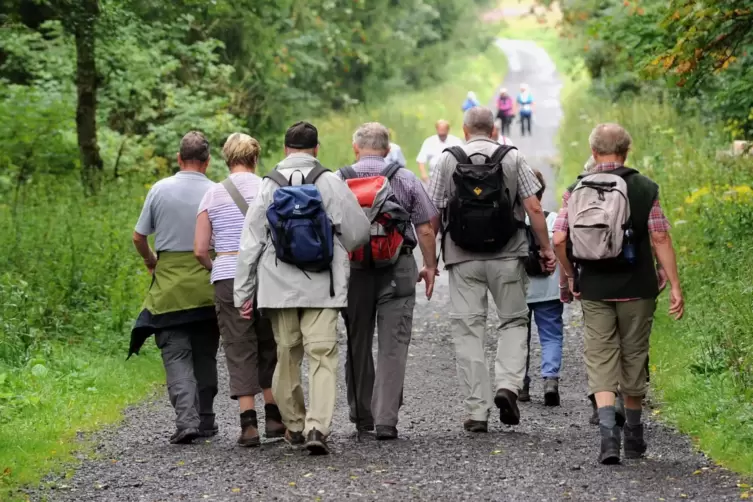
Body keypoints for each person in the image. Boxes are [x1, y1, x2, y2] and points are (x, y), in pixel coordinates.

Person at [234, 121, 370, 456]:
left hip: (278, 286)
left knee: (287, 353)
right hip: (323, 284)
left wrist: (243, 292)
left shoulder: (269, 185)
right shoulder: (329, 181)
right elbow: (357, 233)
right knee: (322, 355)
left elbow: (250, 242)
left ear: (284, 149)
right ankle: (317, 428)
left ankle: (294, 424)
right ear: (316, 149)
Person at [553, 123, 684, 464]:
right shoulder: (643, 187)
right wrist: (674, 284)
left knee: (599, 357)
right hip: (638, 289)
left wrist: (570, 276)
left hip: (594, 287)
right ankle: (635, 437)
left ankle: (608, 438)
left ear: (593, 153)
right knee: (634, 355)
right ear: (627, 151)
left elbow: (558, 240)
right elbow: (660, 238)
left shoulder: (575, 189)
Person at [428, 107, 556, 433]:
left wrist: (430, 261)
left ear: (464, 129)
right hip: (507, 255)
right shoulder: (511, 157)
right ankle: (508, 386)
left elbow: (432, 212)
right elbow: (534, 206)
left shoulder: (447, 158)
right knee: (513, 321)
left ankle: (477, 411)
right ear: (495, 129)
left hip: (462, 256)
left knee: (469, 330)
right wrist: (545, 248)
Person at [337, 123, 439, 440]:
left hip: (353, 270)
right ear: (387, 148)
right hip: (398, 267)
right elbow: (425, 227)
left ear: (356, 147)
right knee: (393, 345)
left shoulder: (338, 180)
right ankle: (385, 420)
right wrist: (431, 266)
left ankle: (362, 415)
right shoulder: (405, 177)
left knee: (358, 341)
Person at [193, 133, 285, 447]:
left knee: (238, 345)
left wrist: (215, 268)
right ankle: (275, 417)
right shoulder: (269, 189)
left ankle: (249, 425)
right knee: (269, 344)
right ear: (255, 158)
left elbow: (200, 249)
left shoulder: (212, 194)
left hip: (228, 275)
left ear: (226, 158)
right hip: (267, 276)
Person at [129, 131, 220, 445]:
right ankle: (207, 419)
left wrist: (151, 261)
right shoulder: (216, 191)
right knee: (206, 354)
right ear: (207, 162)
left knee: (176, 355)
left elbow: (139, 237)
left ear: (179, 159)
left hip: (169, 291)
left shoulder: (159, 189)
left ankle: (186, 421)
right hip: (209, 285)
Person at [519, 169, 565, 406]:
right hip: (549, 289)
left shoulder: (513, 222)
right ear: (542, 192)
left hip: (520, 290)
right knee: (551, 335)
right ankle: (550, 381)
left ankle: (522, 385)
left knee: (518, 336)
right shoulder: (553, 219)